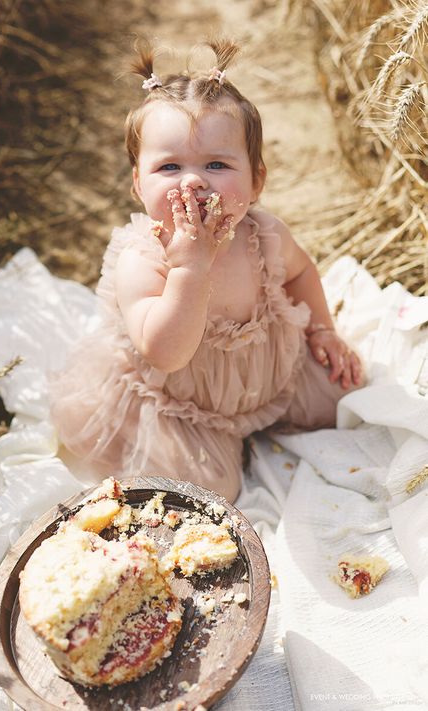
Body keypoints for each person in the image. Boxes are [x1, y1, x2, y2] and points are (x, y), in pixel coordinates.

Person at [50, 38, 363, 503]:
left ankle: (271, 412)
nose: (193, 181)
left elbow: (301, 274)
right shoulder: (143, 259)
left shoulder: (265, 235)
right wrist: (189, 270)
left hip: (270, 373)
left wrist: (321, 330)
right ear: (139, 184)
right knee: (207, 490)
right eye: (169, 166)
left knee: (345, 397)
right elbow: (166, 354)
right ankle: (213, 446)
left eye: (217, 164)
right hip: (184, 402)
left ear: (257, 180)